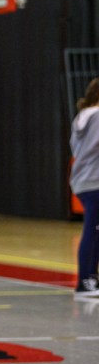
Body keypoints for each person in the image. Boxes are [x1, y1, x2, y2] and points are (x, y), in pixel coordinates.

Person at [70, 77, 99, 297]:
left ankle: (89, 278)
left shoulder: (84, 115)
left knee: (95, 230)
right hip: (93, 181)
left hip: (85, 180)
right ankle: (85, 281)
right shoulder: (96, 116)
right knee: (93, 229)